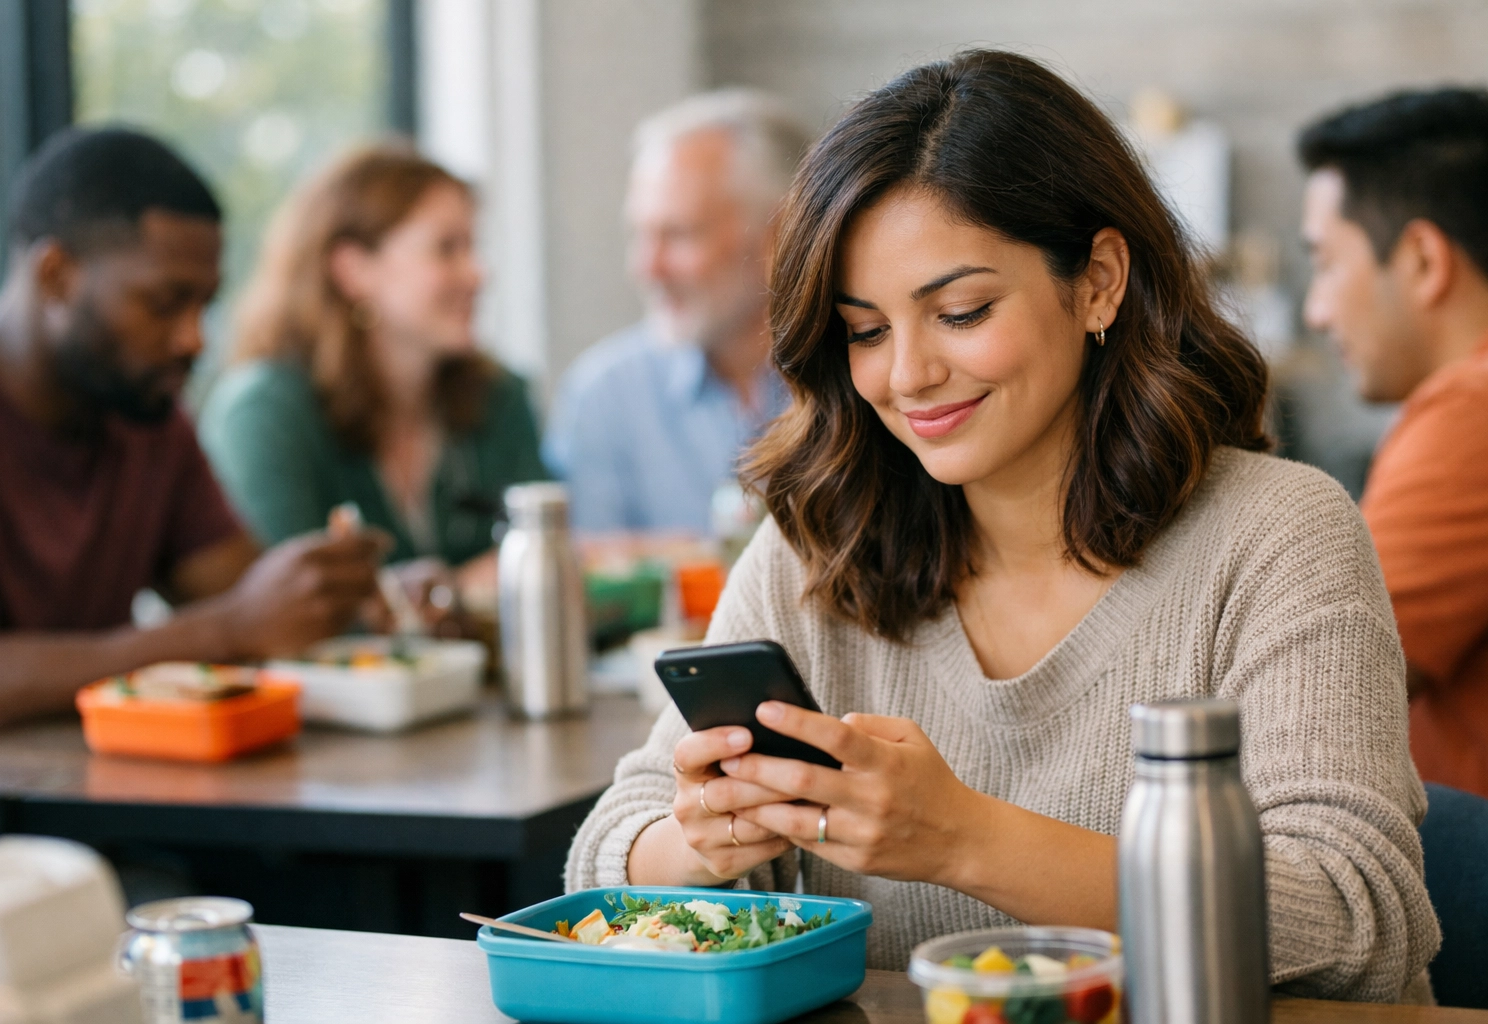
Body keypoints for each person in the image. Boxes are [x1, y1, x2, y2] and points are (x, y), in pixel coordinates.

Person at [567, 51, 1439, 1000]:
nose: (907, 375)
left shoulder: (1277, 535)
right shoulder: (823, 542)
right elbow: (606, 857)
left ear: (1100, 280)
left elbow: (1359, 916)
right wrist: (703, 842)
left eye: (961, 311)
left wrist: (964, 839)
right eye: (865, 331)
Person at [0, 127, 385, 738]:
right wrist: (224, 630)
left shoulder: (143, 414)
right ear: (55, 275)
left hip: (113, 799)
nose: (193, 339)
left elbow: (251, 602)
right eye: (163, 303)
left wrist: (361, 599)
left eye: (204, 306)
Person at [200, 145, 545, 619]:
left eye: (474, 246)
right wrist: (460, 591)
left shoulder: (500, 398)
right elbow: (281, 618)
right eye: (447, 249)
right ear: (354, 270)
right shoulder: (265, 415)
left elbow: (549, 559)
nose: (478, 274)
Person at [1298, 89, 1488, 800]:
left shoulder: (1472, 411)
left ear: (1421, 260)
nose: (1316, 311)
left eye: (1324, 262)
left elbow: (1321, 683)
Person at [542, 90, 809, 533]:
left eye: (678, 235)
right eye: (640, 235)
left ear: (779, 235)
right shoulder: (604, 399)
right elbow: (596, 579)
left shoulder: (867, 377)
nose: (646, 268)